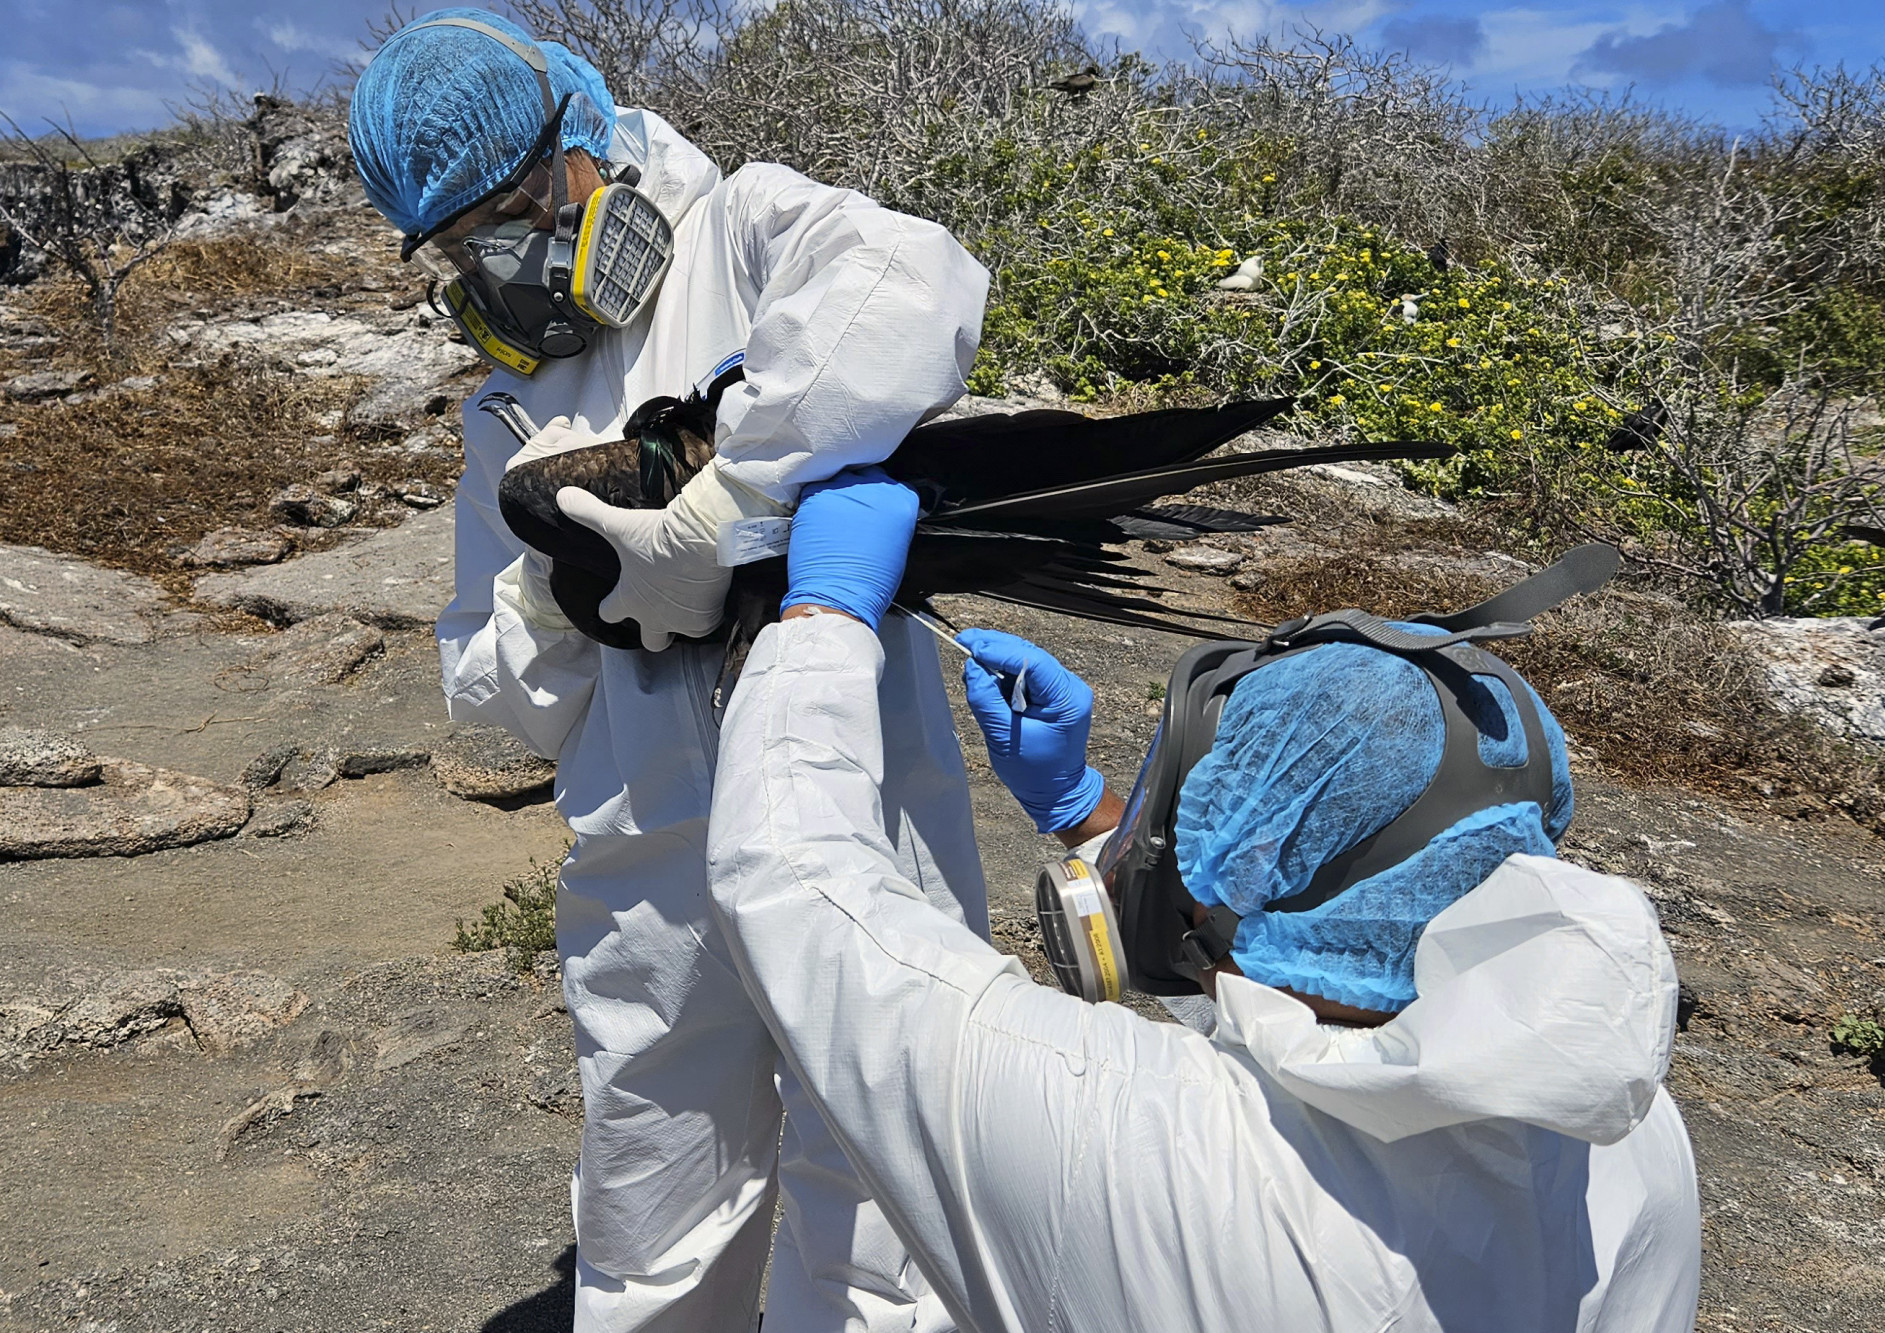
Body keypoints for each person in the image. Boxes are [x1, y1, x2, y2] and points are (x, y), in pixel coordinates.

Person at [706, 468, 1704, 1332]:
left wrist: (824, 618)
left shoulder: (1118, 1142)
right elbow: (1327, 1050)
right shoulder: (1624, 1131)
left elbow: (797, 887)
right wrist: (1085, 816)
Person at [347, 12, 990, 1331]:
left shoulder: (750, 233)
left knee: (878, 1197)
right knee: (651, 1204)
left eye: (525, 202)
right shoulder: (503, 410)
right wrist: (561, 597)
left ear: (583, 136)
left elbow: (917, 288)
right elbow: (489, 692)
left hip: (855, 813)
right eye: (471, 240)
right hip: (647, 860)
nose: (511, 252)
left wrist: (727, 506)